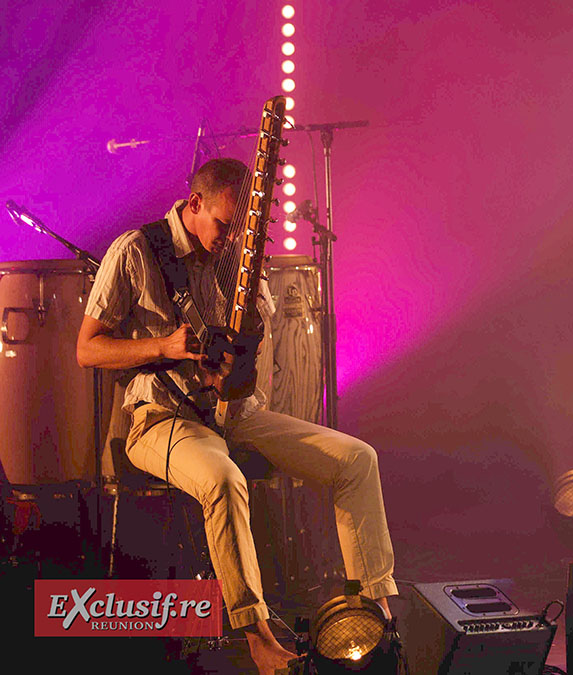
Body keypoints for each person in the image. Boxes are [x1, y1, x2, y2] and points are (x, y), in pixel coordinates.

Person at [77, 158, 397, 674]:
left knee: (357, 459)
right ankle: (259, 637)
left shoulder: (240, 264)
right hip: (159, 417)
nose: (229, 239)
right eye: (224, 225)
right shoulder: (136, 250)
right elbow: (86, 350)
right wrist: (163, 345)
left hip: (233, 414)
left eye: (238, 227)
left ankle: (376, 614)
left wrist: (237, 365)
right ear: (195, 203)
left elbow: (242, 383)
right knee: (225, 479)